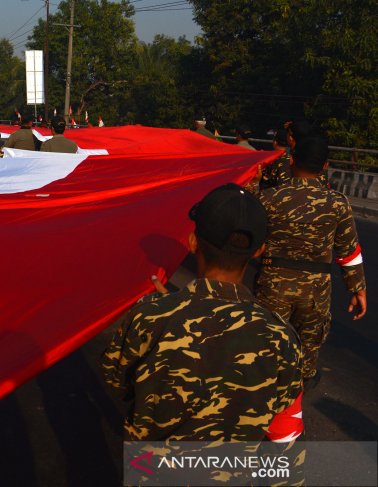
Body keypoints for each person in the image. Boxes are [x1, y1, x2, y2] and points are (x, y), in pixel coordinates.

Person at [101, 183, 302, 443]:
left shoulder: (149, 316)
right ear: (259, 251)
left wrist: (167, 311)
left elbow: (117, 380)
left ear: (193, 242)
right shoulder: (282, 336)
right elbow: (285, 432)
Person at [252, 136, 367, 389]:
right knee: (305, 357)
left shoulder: (268, 198)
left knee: (265, 351)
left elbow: (250, 240)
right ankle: (293, 411)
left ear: (292, 161)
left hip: (272, 286)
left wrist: (254, 182)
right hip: (316, 293)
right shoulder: (337, 203)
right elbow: (348, 251)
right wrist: (357, 289)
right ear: (325, 166)